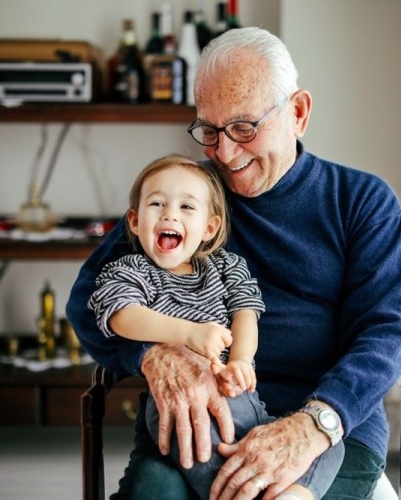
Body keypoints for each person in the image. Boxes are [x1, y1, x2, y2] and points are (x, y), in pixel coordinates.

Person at [67, 26, 401, 499]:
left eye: (244, 128)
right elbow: (90, 298)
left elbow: (385, 334)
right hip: (201, 417)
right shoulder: (188, 199)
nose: (224, 154)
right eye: (209, 130)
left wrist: (311, 427)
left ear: (298, 113)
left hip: (327, 427)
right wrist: (152, 353)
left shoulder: (362, 202)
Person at [87, 154, 343, 500]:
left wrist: (240, 360)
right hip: (180, 405)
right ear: (134, 220)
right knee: (196, 444)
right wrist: (188, 333)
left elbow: (246, 313)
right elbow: (122, 315)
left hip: (244, 401)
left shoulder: (225, 267)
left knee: (329, 445)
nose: (170, 214)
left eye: (186, 207)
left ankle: (293, 495)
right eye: (157, 203)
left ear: (209, 227)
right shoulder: (132, 271)